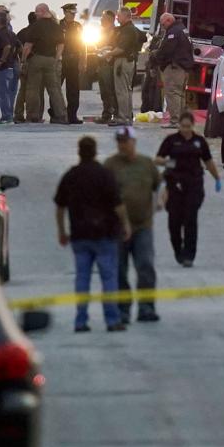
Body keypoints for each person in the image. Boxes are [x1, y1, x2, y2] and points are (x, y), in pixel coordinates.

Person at [54, 136, 133, 333]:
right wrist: (125, 225)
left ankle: (81, 321)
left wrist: (62, 231)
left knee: (82, 278)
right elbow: (118, 205)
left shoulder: (71, 176)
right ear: (95, 151)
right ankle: (112, 320)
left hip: (80, 235)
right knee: (109, 278)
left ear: (79, 152)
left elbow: (60, 206)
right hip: (105, 234)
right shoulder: (104, 175)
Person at [105, 126, 162, 324]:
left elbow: (159, 184)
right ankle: (123, 310)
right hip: (118, 228)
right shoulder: (110, 166)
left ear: (134, 142)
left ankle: (147, 307)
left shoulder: (146, 164)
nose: (122, 145)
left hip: (143, 226)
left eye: (125, 141)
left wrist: (161, 199)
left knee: (145, 266)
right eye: (119, 142)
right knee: (119, 269)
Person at [155, 111, 221, 267]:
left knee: (190, 219)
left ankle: (189, 255)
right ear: (179, 126)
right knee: (174, 221)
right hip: (175, 184)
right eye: (183, 126)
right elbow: (158, 159)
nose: (185, 130)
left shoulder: (199, 141)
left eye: (188, 126)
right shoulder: (171, 141)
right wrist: (172, 164)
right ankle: (178, 250)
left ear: (193, 126)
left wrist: (217, 178)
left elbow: (208, 161)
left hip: (194, 184)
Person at [22, 3, 68, 124]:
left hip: (36, 59)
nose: (35, 14)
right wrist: (56, 58)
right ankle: (62, 115)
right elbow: (61, 44)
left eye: (36, 12)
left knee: (33, 88)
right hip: (51, 60)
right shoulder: (56, 26)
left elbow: (28, 46)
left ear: (42, 11)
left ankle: (32, 116)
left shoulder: (35, 26)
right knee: (55, 89)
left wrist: (23, 60)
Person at [155, 13, 193, 127]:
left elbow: (167, 49)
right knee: (180, 94)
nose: (163, 27)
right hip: (183, 67)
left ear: (168, 20)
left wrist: (156, 56)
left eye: (163, 24)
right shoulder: (183, 30)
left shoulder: (174, 32)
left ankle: (175, 120)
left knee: (172, 93)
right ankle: (181, 120)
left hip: (175, 67)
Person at [109, 7, 140, 126]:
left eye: (119, 15)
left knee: (121, 91)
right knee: (127, 90)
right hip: (128, 61)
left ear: (127, 16)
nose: (117, 17)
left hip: (122, 62)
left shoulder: (127, 30)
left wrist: (107, 53)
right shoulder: (130, 29)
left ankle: (122, 118)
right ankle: (127, 117)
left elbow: (121, 48)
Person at [59, 3, 86, 124]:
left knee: (74, 89)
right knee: (56, 88)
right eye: (70, 13)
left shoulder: (78, 26)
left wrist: (83, 61)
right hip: (61, 59)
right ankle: (57, 113)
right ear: (65, 12)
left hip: (74, 60)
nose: (73, 15)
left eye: (74, 13)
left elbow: (82, 45)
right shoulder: (58, 25)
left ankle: (72, 115)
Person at [0, 14, 20, 124]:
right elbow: (19, 46)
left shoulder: (0, 33)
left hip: (3, 67)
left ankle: (7, 117)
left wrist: (2, 60)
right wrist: (13, 57)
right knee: (2, 92)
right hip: (10, 66)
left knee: (3, 93)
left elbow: (7, 46)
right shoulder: (12, 33)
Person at [13, 11, 36, 123]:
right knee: (32, 90)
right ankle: (31, 115)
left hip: (22, 63)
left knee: (22, 89)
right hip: (32, 62)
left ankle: (18, 114)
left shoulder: (21, 32)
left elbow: (15, 48)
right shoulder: (35, 32)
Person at [96, 10, 118, 124]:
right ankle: (106, 114)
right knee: (104, 91)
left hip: (109, 64)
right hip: (101, 63)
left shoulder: (115, 32)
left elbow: (115, 47)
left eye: (103, 18)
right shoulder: (102, 32)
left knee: (110, 90)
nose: (101, 20)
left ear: (109, 20)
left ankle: (114, 114)